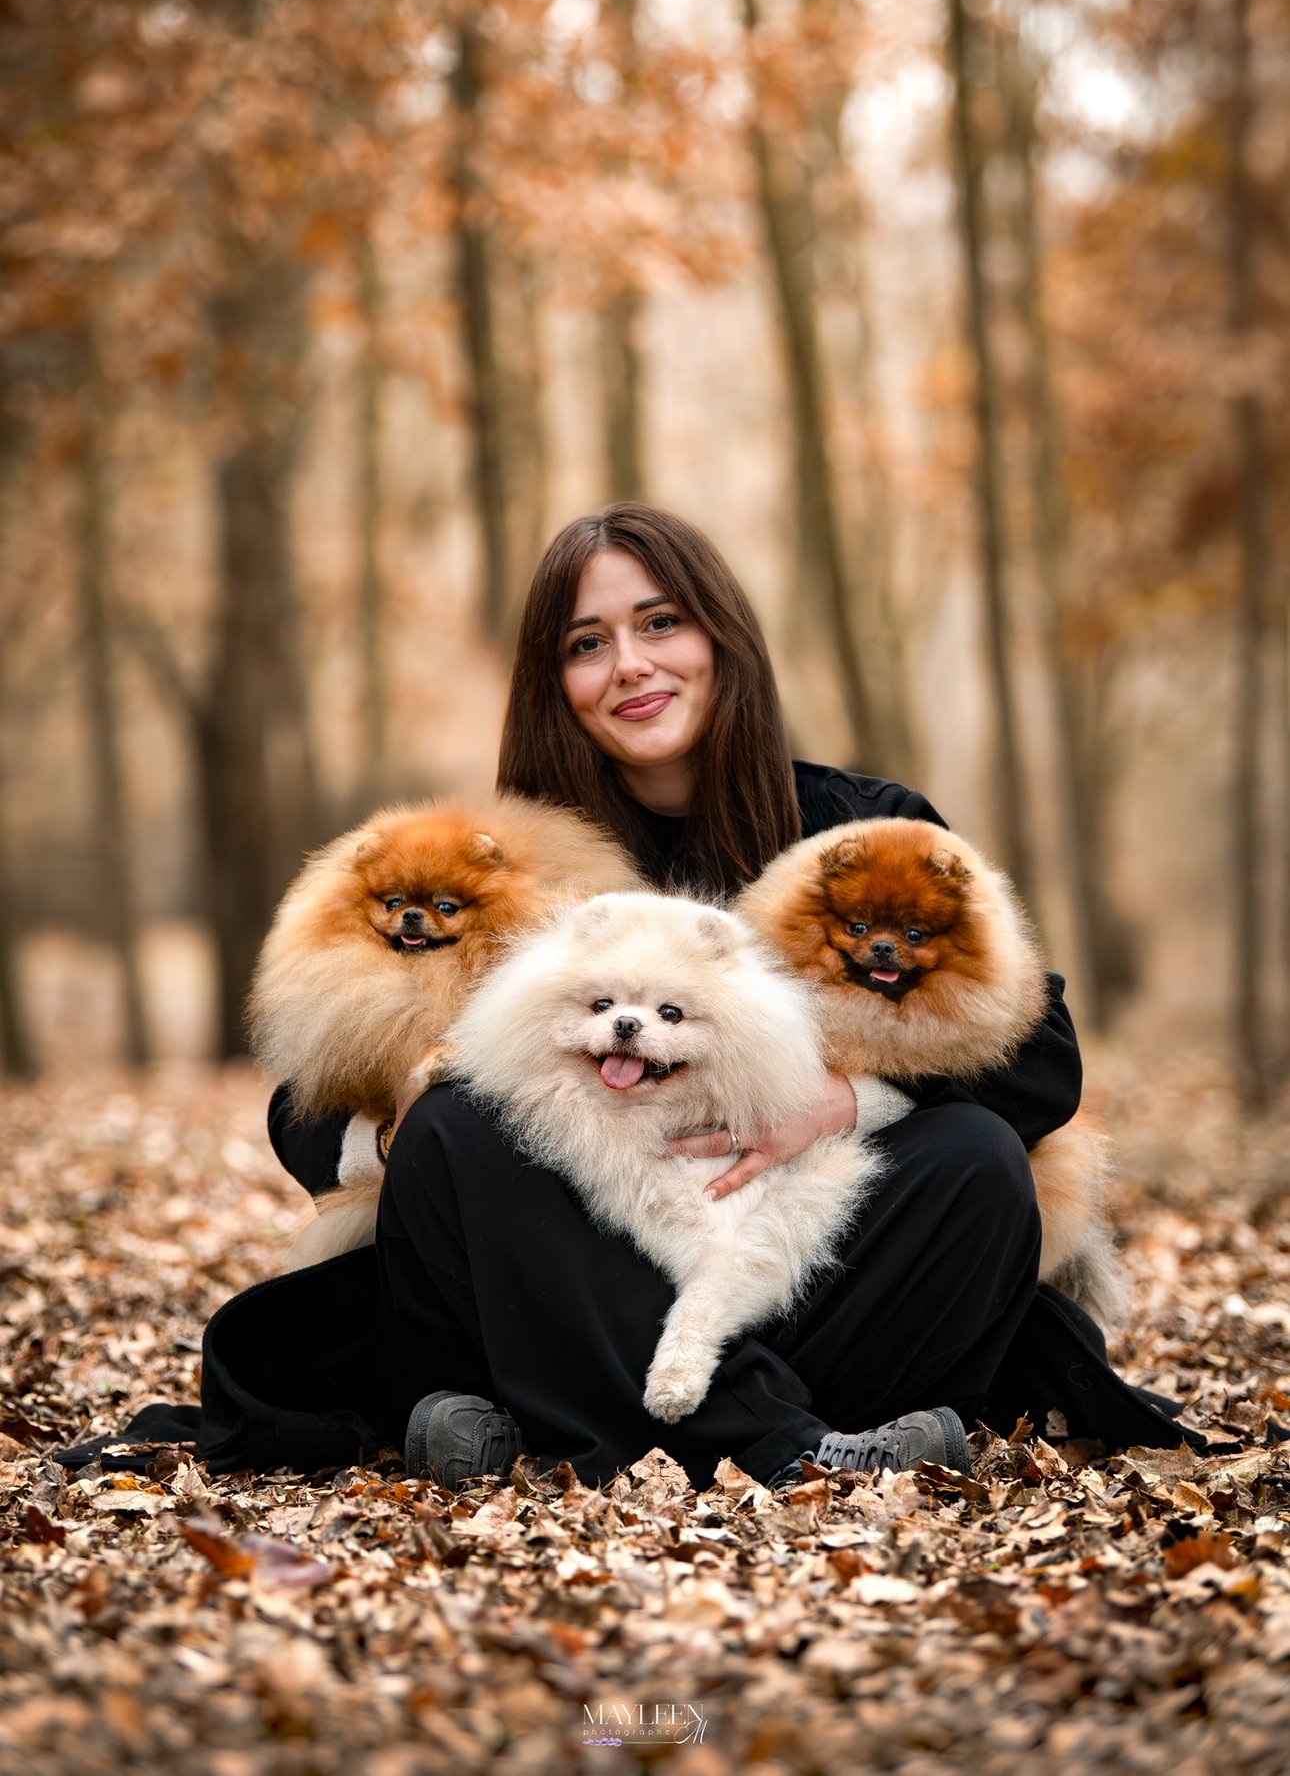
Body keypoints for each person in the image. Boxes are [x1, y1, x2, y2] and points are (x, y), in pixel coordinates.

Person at [56, 503, 1213, 1485]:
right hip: (564, 1268)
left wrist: (840, 1102)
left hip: (790, 1264)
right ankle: (787, 1447)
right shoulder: (509, 855)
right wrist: (409, 1113)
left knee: (974, 1157)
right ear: (554, 680)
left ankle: (557, 1433)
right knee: (462, 1125)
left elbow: (1041, 1060)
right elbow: (306, 1120)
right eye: (588, 642)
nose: (633, 667)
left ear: (721, 637)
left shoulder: (857, 823)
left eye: (661, 623)